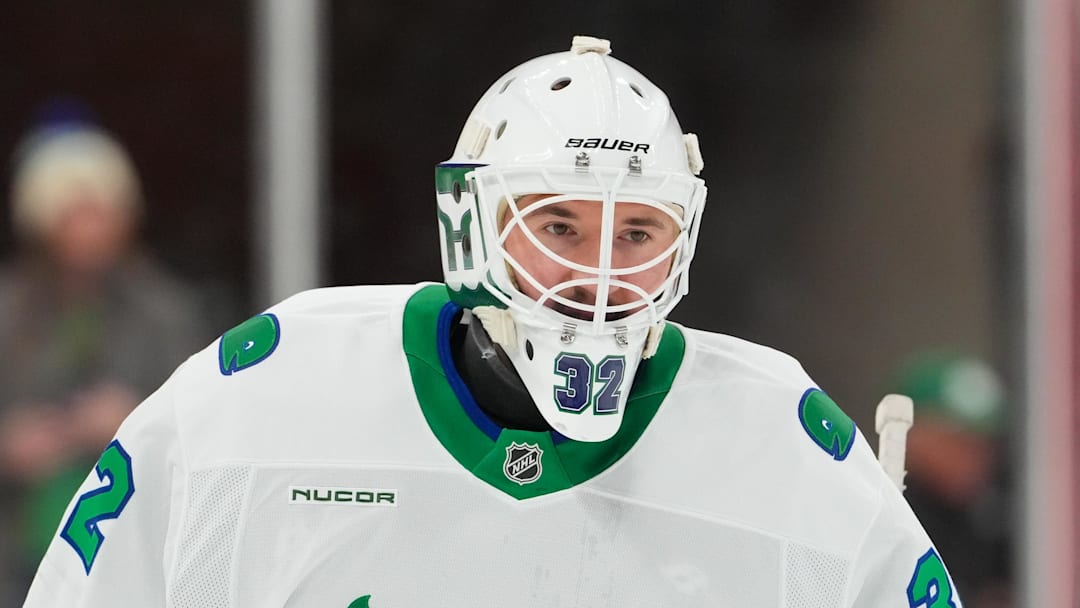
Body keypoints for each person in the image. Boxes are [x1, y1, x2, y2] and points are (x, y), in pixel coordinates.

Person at [24, 37, 958, 606]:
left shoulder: (787, 454)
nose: (597, 274)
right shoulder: (264, 399)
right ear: (473, 225)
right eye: (558, 224)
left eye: (636, 230)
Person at [0, 116, 208, 602]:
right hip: (17, 550)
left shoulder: (166, 314)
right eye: (73, 213)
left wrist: (137, 421)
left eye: (100, 211)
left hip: (131, 549)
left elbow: (206, 424)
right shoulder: (7, 313)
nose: (89, 230)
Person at [892, 352, 1012, 607]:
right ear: (913, 434)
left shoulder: (994, 520)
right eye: (959, 441)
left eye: (986, 445)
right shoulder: (880, 510)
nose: (975, 459)